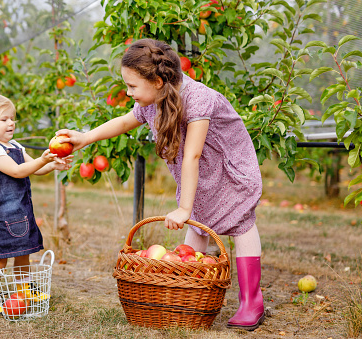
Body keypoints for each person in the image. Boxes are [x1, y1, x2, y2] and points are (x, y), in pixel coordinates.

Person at [56, 39, 265, 331]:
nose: (128, 93)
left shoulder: (199, 98)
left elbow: (192, 155)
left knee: (240, 222)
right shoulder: (154, 99)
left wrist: (183, 208)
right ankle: (187, 294)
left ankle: (252, 301)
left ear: (156, 81)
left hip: (229, 169)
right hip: (203, 174)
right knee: (196, 226)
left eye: (132, 86)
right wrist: (84, 137)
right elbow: (125, 121)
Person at [0, 91, 72, 315]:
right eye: (4, 119)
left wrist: (52, 165)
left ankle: (24, 289)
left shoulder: (15, 145)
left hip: (20, 213)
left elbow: (35, 169)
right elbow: (19, 171)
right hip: (0, 218)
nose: (11, 123)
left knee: (23, 253)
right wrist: (42, 159)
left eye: (12, 118)